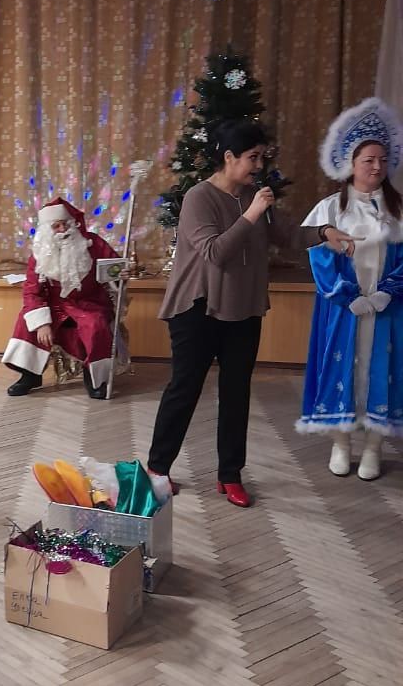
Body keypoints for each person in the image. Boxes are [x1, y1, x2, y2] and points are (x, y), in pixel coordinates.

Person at [147, 120, 350, 508]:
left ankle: (230, 475)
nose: (259, 165)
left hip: (244, 309)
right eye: (252, 157)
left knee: (236, 393)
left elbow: (289, 234)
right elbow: (215, 253)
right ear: (229, 157)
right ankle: (158, 468)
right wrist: (252, 213)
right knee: (184, 390)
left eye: (262, 157)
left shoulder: (256, 196)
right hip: (198, 309)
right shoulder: (199, 198)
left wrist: (324, 233)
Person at [297, 98, 403, 480]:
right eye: (368, 160)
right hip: (342, 311)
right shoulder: (330, 209)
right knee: (342, 369)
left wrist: (389, 290)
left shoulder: (398, 210)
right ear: (350, 163)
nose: (377, 167)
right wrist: (348, 296)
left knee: (382, 373)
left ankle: (373, 448)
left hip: (388, 309)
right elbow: (319, 258)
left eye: (382, 160)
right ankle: (341, 444)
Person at [2, 199, 117, 398]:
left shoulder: (92, 243)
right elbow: (32, 291)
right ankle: (30, 375)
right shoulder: (40, 252)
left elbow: (114, 267)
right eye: (56, 226)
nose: (63, 229)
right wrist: (41, 323)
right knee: (25, 321)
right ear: (47, 230)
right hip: (53, 304)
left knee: (95, 324)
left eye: (66, 224)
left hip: (89, 303)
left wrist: (119, 274)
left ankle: (95, 377)